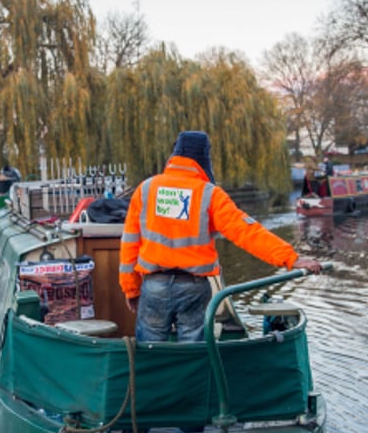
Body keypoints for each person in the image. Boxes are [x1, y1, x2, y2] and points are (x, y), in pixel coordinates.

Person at [120, 130, 323, 342]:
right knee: (195, 355)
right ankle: (193, 375)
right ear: (203, 159)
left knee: (150, 353)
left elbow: (129, 245)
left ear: (174, 156)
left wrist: (131, 290)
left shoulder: (146, 190)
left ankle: (152, 375)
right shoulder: (210, 194)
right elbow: (247, 232)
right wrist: (292, 258)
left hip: (154, 285)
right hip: (194, 288)